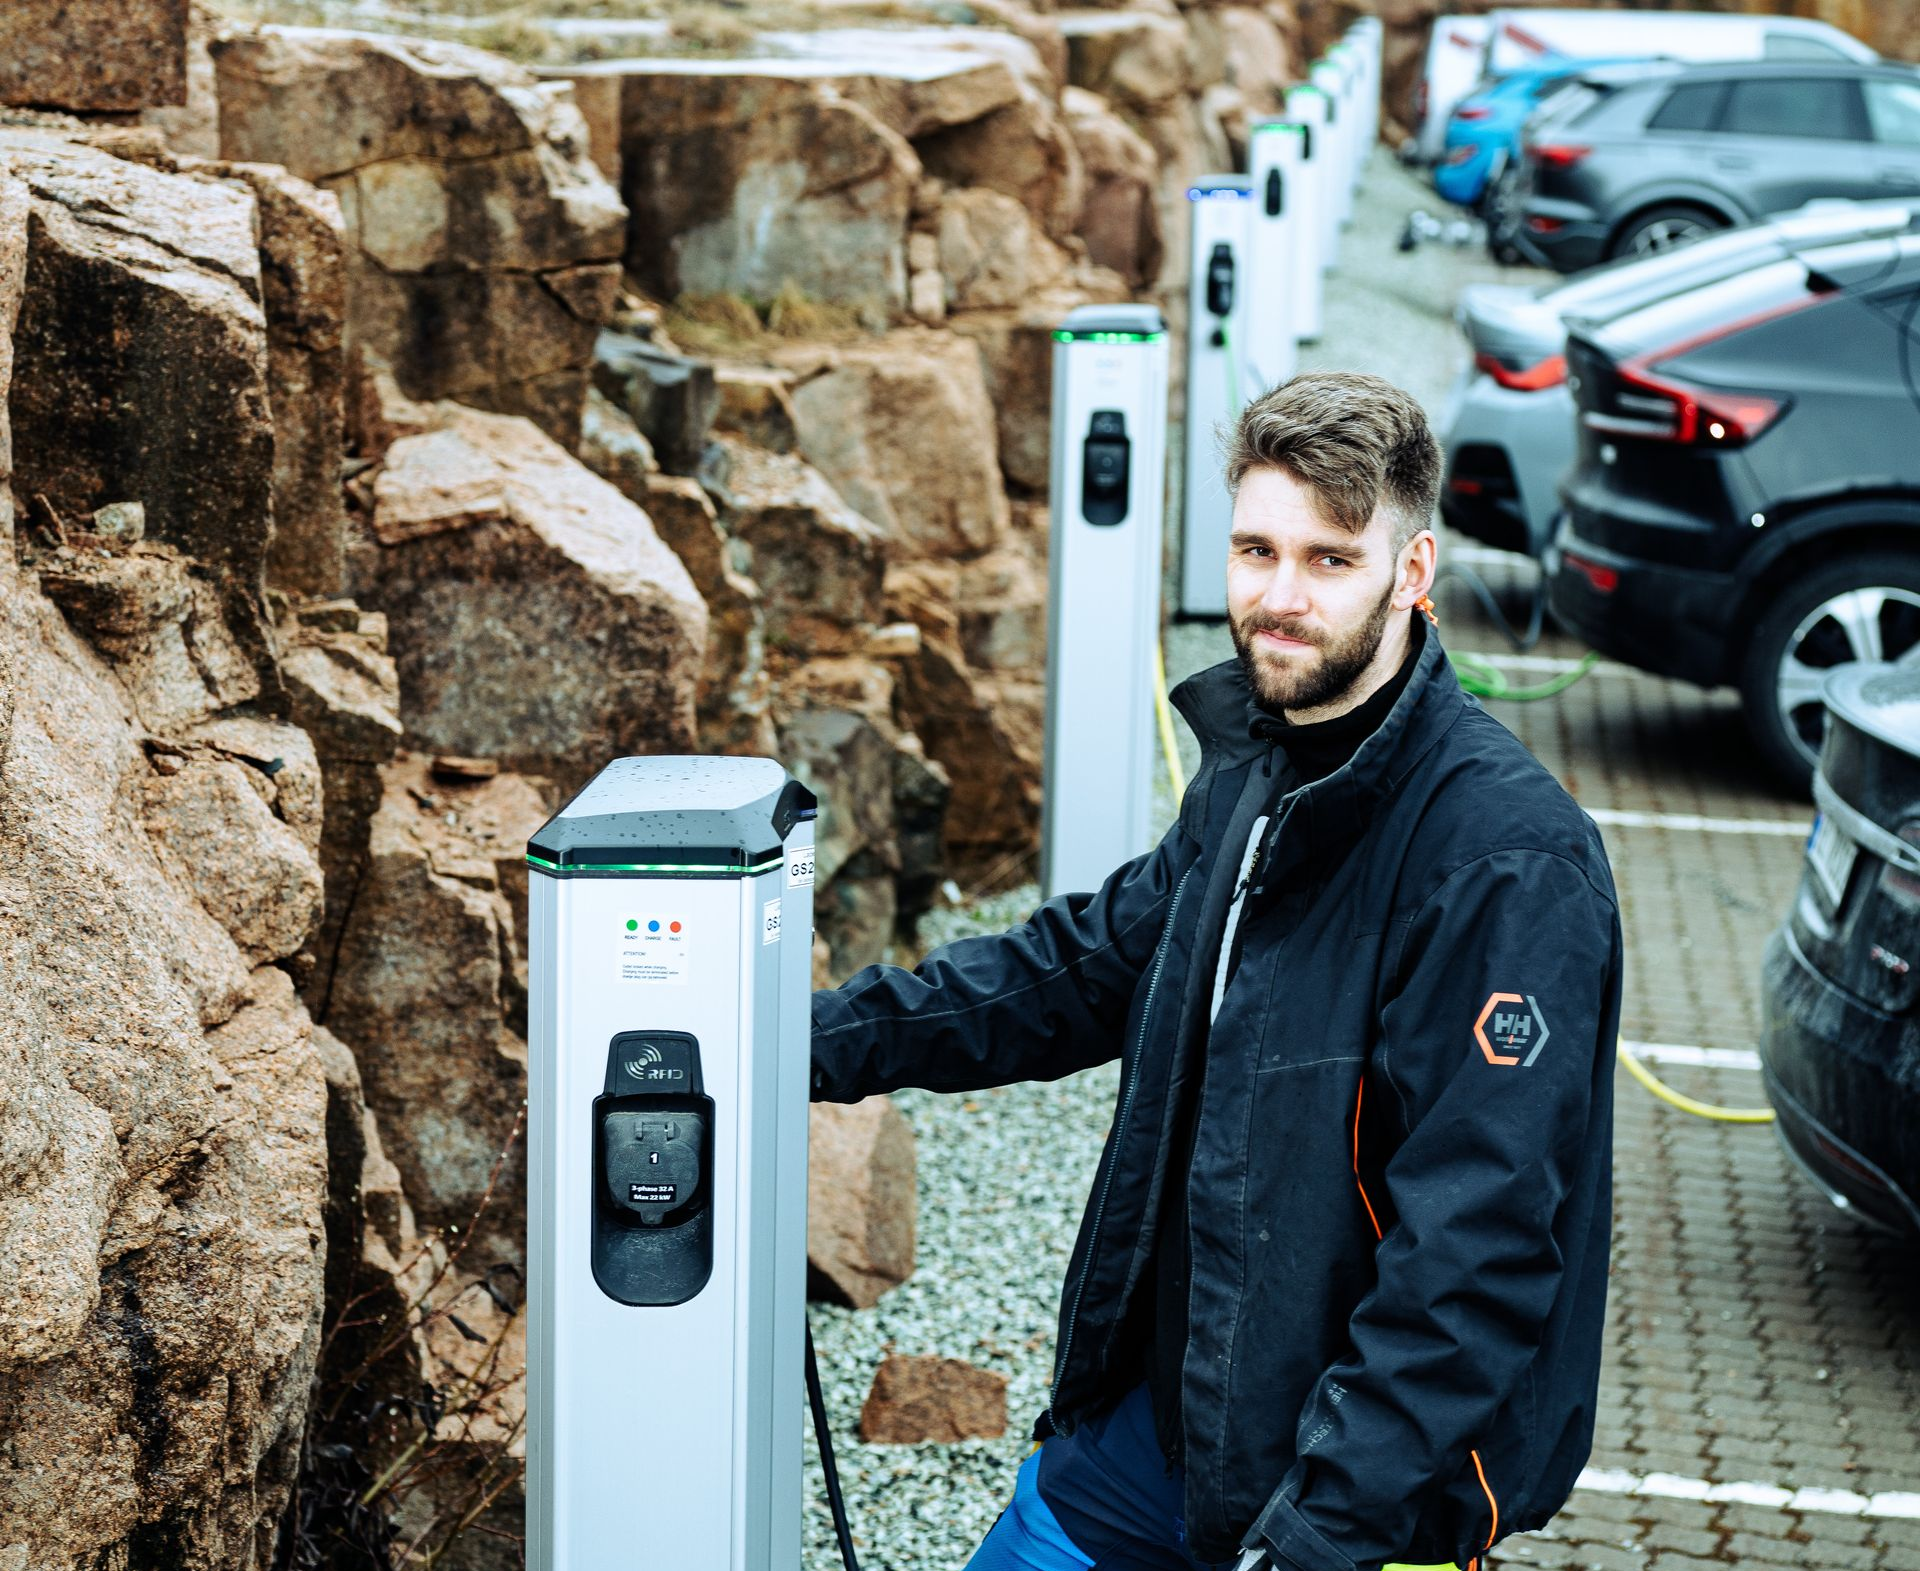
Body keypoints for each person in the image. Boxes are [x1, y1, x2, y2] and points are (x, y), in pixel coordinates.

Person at [809, 372, 1622, 1571]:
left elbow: (1476, 1252)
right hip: (1162, 1430)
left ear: (1413, 570)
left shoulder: (1506, 861)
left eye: (1329, 560)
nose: (1279, 598)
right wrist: (797, 1037)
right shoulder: (1257, 768)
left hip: (1350, 1498)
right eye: (1256, 548)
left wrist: (1318, 1530)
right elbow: (1082, 966)